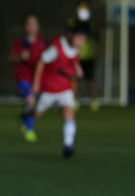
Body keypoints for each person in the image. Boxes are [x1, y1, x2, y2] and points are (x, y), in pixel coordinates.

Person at [27, 19, 89, 158]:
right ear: (70, 34)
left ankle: (68, 145)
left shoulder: (77, 47)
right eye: (79, 37)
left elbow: (73, 59)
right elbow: (41, 61)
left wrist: (78, 69)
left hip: (65, 88)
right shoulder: (56, 48)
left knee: (69, 113)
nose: (82, 41)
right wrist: (35, 84)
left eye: (84, 39)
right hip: (49, 89)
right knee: (37, 114)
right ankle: (28, 113)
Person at [8, 14, 45, 142]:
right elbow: (11, 57)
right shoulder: (19, 42)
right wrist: (20, 56)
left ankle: (24, 116)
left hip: (37, 78)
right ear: (24, 27)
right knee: (30, 101)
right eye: (29, 24)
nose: (32, 26)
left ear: (38, 26)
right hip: (23, 78)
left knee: (35, 105)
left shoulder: (42, 42)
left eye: (34, 23)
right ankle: (30, 130)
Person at [71, 2, 99, 111]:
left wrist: (96, 56)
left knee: (90, 79)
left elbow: (96, 42)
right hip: (76, 56)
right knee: (74, 79)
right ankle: (74, 101)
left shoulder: (92, 26)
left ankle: (94, 101)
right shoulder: (73, 24)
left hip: (89, 57)